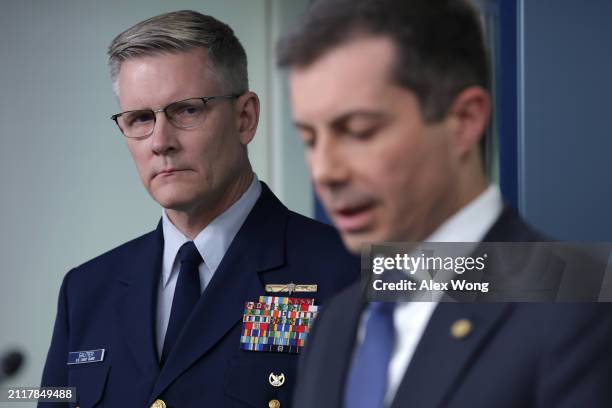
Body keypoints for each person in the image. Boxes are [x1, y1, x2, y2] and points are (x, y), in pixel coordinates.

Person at [277, 0, 612, 407]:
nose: (325, 171)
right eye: (310, 140)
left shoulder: (581, 304)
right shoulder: (336, 321)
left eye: (359, 131)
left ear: (465, 120)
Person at [39, 10, 358, 408]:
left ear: (245, 118)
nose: (160, 141)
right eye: (140, 118)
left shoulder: (352, 270)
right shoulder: (85, 291)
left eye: (187, 110)